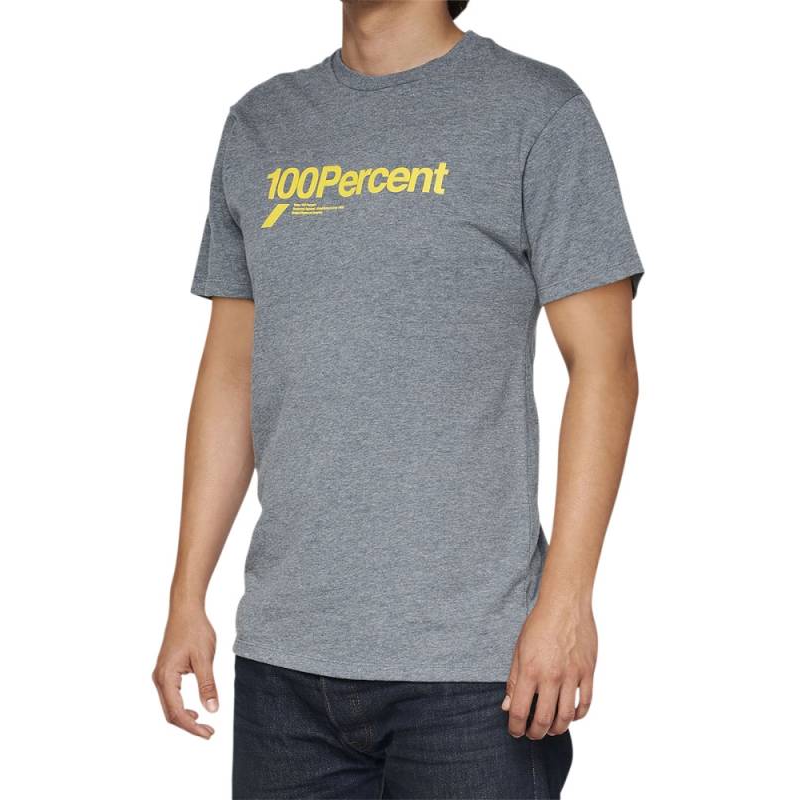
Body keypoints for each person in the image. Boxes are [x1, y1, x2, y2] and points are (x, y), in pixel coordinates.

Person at [153, 1, 643, 797]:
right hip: (284, 662)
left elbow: (605, 366)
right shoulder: (261, 125)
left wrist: (566, 605)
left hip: (476, 671)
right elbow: (231, 369)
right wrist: (187, 595)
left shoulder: (537, 112)